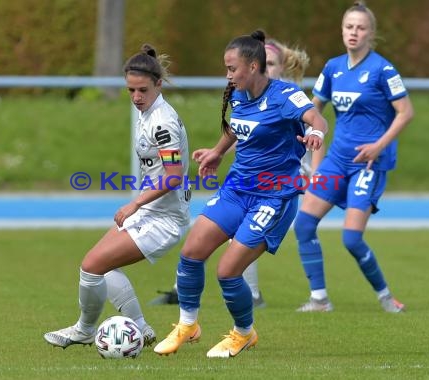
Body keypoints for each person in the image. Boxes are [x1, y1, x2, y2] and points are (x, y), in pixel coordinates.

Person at [153, 29, 328, 358]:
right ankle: (187, 325)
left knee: (228, 272)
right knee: (191, 252)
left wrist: (316, 131)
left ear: (252, 66)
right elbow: (238, 126)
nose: (228, 75)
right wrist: (218, 152)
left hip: (273, 198)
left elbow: (315, 116)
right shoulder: (238, 95)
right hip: (237, 189)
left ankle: (243, 333)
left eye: (232, 68)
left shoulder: (285, 95)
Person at [43, 44, 191, 348]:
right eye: (131, 90)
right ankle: (140, 328)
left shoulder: (161, 120)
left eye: (142, 90)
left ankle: (85, 330)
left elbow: (174, 176)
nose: (136, 97)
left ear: (158, 84)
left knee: (92, 266)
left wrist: (135, 202)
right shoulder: (147, 111)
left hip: (163, 218)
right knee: (98, 266)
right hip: (150, 212)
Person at [294, 1, 414, 313]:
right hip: (336, 161)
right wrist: (316, 165)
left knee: (351, 239)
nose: (353, 33)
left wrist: (379, 146)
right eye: (349, 27)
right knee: (304, 224)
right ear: (342, 30)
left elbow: (406, 113)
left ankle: (386, 296)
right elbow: (313, 112)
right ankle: (319, 299)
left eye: (360, 28)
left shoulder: (383, 69)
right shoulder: (333, 68)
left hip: (368, 164)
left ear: (370, 33)